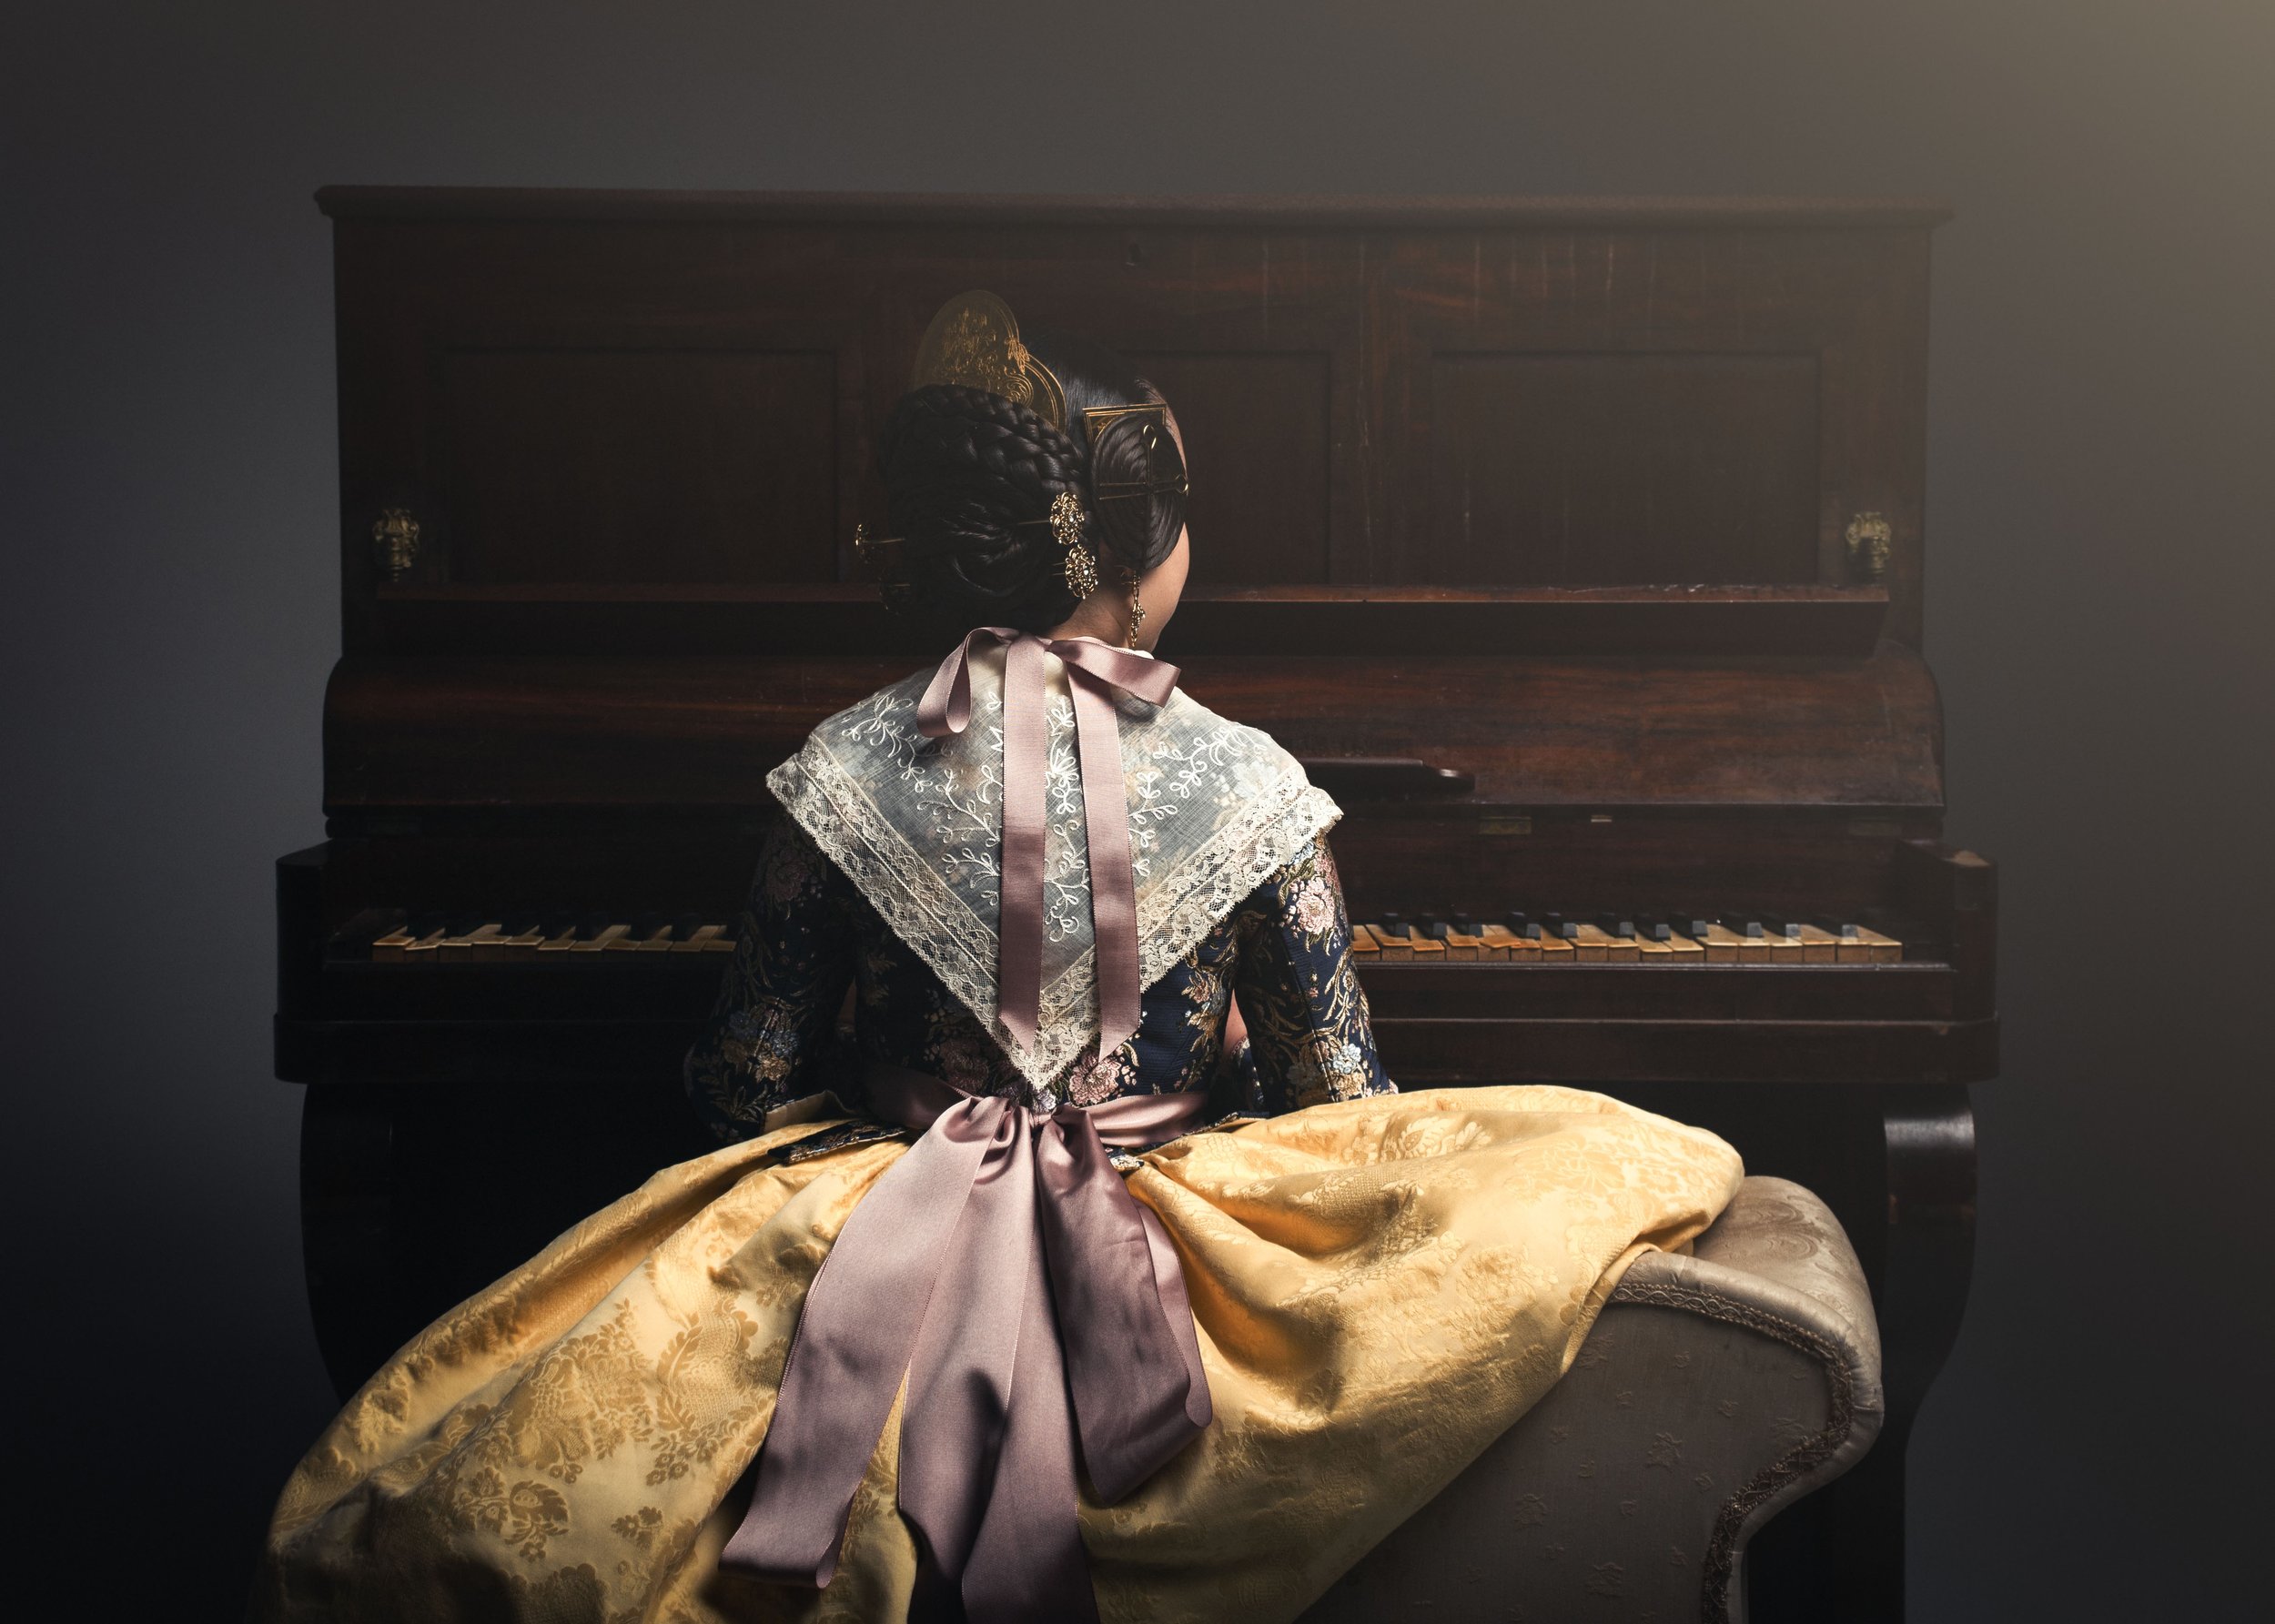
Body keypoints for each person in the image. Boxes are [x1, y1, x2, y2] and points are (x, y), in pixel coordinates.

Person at [253, 293, 1743, 1624]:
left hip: (885, 1200)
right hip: (1170, 1209)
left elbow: (736, 1080)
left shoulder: (841, 763)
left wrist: (888, 1080)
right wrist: (1189, 1071)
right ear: (1134, 548)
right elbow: (1337, 1097)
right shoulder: (1246, 776)